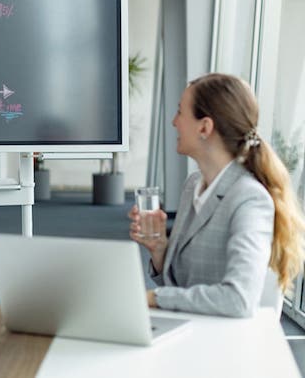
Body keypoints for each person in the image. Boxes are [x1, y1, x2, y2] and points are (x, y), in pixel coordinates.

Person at [129, 73, 305, 317]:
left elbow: (238, 299)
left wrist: (153, 297)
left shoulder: (249, 199)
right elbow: (184, 287)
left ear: (205, 127)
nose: (174, 122)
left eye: (180, 112)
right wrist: (160, 249)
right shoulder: (193, 185)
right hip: (191, 330)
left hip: (226, 344)